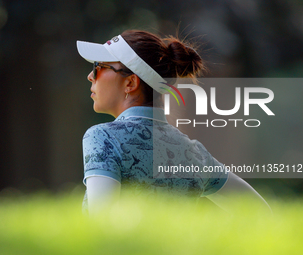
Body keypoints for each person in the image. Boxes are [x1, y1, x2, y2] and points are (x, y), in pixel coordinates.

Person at [76, 30, 271, 215]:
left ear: (130, 83)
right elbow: (261, 213)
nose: (91, 76)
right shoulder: (194, 153)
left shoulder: (102, 136)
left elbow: (101, 222)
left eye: (99, 67)